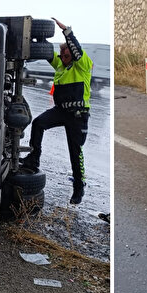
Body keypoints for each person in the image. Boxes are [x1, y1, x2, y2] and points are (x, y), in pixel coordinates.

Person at [21, 17, 92, 204]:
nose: (62, 56)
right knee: (38, 123)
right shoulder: (61, 65)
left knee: (75, 152)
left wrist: (66, 31)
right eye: (62, 54)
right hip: (60, 111)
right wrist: (38, 36)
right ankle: (33, 159)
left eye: (66, 53)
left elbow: (75, 49)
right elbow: (47, 52)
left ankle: (79, 188)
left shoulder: (83, 64)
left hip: (78, 115)